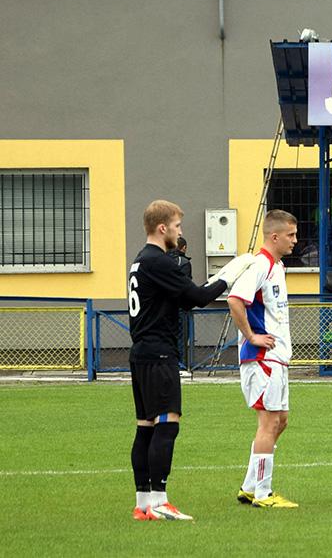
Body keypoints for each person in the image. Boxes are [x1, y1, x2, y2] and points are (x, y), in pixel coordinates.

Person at [127, 200, 255, 521]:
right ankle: (159, 501)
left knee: (146, 428)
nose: (180, 231)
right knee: (167, 425)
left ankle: (143, 504)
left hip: (141, 353)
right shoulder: (160, 261)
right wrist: (230, 273)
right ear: (163, 228)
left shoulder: (141, 260)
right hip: (159, 354)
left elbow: (182, 301)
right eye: (177, 226)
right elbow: (199, 298)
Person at [228, 210, 300, 509]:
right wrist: (252, 336)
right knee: (269, 422)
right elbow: (235, 300)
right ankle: (263, 493)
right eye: (291, 235)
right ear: (274, 236)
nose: (295, 240)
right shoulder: (259, 265)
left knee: (280, 421)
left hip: (277, 357)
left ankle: (249, 487)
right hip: (262, 358)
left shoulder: (277, 266)